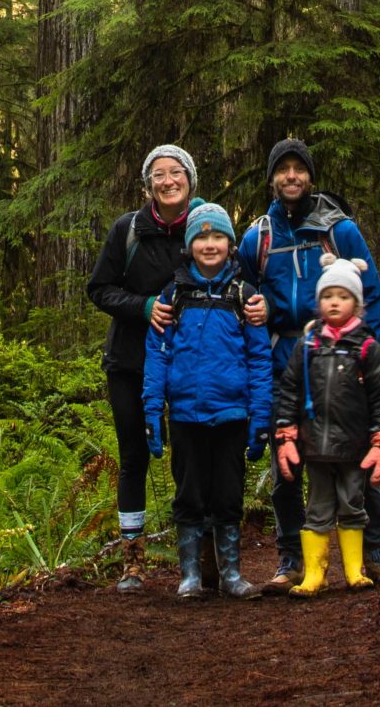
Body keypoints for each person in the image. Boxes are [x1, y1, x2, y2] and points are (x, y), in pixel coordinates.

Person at [86, 143, 267, 590]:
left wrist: (260, 306)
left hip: (198, 368)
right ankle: (133, 561)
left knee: (204, 455)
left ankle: (207, 565)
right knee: (135, 456)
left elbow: (240, 284)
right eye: (159, 174)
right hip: (132, 360)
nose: (168, 181)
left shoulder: (209, 226)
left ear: (189, 179)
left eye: (176, 173)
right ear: (147, 184)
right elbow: (99, 289)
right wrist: (144, 306)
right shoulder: (128, 230)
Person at [237, 136, 380, 586]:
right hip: (283, 356)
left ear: (310, 176)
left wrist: (365, 352)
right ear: (271, 178)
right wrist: (258, 306)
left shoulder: (339, 229)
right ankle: (291, 561)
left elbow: (374, 295)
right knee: (284, 460)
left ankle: (375, 551)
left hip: (344, 358)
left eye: (298, 169)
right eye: (282, 169)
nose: (291, 177)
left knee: (357, 454)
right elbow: (246, 295)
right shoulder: (257, 238)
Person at [143, 202, 272, 599]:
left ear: (231, 245)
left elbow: (259, 358)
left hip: (232, 414)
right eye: (201, 236)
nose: (210, 244)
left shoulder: (245, 296)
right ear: (189, 244)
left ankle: (231, 575)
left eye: (218, 236)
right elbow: (157, 353)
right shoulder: (174, 295)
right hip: (185, 415)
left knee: (228, 496)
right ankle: (190, 576)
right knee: (189, 495)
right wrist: (152, 408)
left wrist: (260, 417)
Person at [271, 257, 380, 594]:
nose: (335, 302)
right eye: (328, 296)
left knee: (354, 505)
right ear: (319, 301)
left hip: (354, 447)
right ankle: (316, 573)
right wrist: (286, 434)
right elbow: (290, 391)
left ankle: (355, 570)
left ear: (356, 302)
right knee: (318, 509)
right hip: (316, 448)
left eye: (343, 296)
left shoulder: (368, 348)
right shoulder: (308, 346)